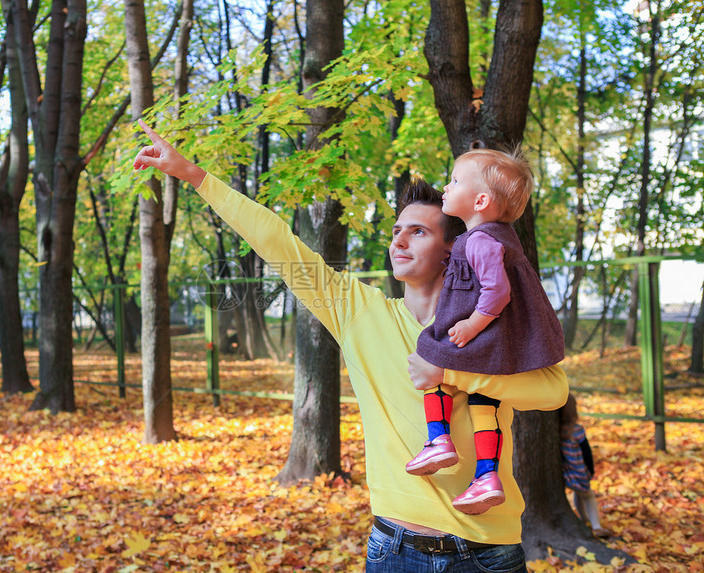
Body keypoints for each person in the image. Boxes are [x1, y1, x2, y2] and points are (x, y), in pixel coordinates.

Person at [133, 119, 569, 572]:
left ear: (453, 250)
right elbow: (280, 245)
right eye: (397, 230)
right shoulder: (359, 311)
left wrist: (449, 374)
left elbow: (552, 390)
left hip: (487, 552)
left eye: (418, 232)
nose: (398, 240)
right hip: (394, 549)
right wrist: (195, 176)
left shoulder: (493, 321)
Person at [405, 149, 565, 516]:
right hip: (498, 343)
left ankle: (438, 439)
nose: (447, 185)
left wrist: (472, 323)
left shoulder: (480, 240)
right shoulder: (494, 238)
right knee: (484, 402)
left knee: (431, 354)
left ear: (480, 200)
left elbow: (497, 291)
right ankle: (486, 476)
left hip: (480, 333)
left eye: (456, 180)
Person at [560, 393, 610, 538]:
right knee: (589, 496)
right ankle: (596, 526)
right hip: (579, 472)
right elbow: (586, 453)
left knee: (579, 493)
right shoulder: (577, 431)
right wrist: (591, 469)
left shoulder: (556, 431)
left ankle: (583, 519)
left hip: (567, 474)